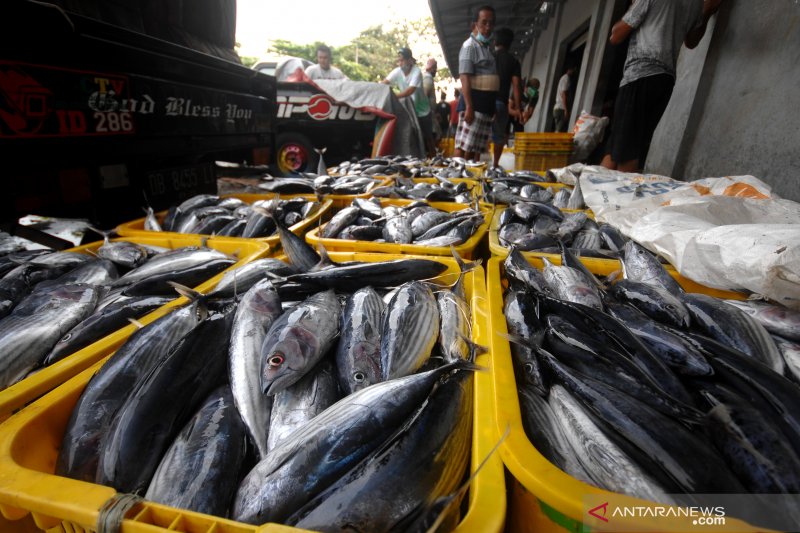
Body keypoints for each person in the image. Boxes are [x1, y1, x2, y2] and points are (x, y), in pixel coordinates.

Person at [601, 0, 724, 172]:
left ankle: (619, 196)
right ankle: (593, 193)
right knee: (619, 146)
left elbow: (616, 35)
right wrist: (706, 13)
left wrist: (633, 7)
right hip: (664, 81)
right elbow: (691, 42)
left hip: (640, 75)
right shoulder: (695, 4)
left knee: (626, 154)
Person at [454, 5, 498, 161]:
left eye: (491, 23)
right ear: (474, 25)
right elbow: (464, 77)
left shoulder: (486, 48)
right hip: (473, 104)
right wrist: (469, 107)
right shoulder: (469, 46)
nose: (488, 27)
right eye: (484, 22)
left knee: (475, 149)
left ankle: (471, 179)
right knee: (464, 146)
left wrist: (492, 107)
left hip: (485, 106)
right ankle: (456, 179)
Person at [382, 47, 434, 157]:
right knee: (411, 136)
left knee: (428, 138)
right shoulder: (397, 71)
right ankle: (416, 158)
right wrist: (377, 88)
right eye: (399, 60)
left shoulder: (417, 72)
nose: (400, 63)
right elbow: (385, 82)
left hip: (422, 111)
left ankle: (434, 159)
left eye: (402, 60)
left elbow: (410, 90)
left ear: (410, 60)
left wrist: (394, 96)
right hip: (409, 110)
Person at [491, 27, 522, 169]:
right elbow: (516, 86)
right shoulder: (513, 61)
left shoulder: (489, 56)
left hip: (485, 101)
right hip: (501, 103)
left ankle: (476, 164)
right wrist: (519, 108)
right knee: (499, 136)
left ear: (495, 41)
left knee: (480, 136)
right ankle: (495, 164)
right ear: (510, 43)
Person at [553, 65, 575, 132]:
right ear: (569, 70)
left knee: (557, 130)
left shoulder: (563, 78)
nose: (574, 72)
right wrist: (566, 110)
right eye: (573, 70)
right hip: (561, 108)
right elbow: (563, 94)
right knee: (559, 131)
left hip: (557, 108)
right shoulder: (566, 78)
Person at [423, 58, 440, 144]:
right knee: (432, 140)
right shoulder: (428, 78)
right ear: (431, 68)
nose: (436, 70)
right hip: (428, 117)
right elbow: (424, 95)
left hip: (429, 115)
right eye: (435, 68)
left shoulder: (426, 77)